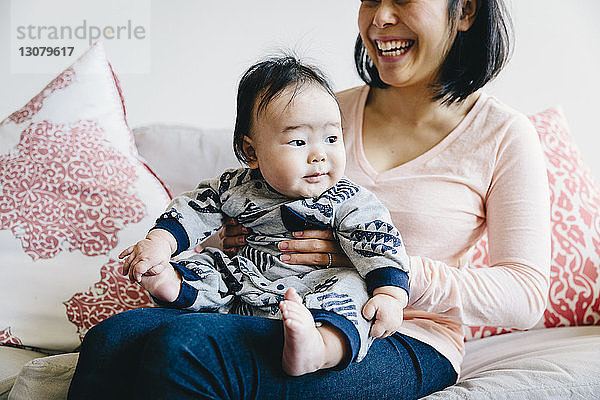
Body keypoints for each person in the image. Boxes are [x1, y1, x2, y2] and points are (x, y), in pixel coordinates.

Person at [68, 0, 551, 399]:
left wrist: (383, 268)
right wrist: (229, 237)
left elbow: (526, 296)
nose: (379, 18)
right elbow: (240, 197)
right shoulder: (318, 109)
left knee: (186, 347)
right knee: (112, 339)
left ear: (464, 10)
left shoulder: (503, 135)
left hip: (396, 334)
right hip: (266, 301)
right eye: (369, 0)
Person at [115, 55, 411, 376]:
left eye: (331, 138)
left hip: (317, 288)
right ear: (252, 153)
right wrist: (160, 242)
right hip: (245, 280)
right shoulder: (235, 187)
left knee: (353, 294)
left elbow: (378, 242)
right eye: (298, 141)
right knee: (208, 263)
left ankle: (319, 349)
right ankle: (171, 284)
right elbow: (193, 208)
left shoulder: (347, 199)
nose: (319, 155)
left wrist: (390, 294)